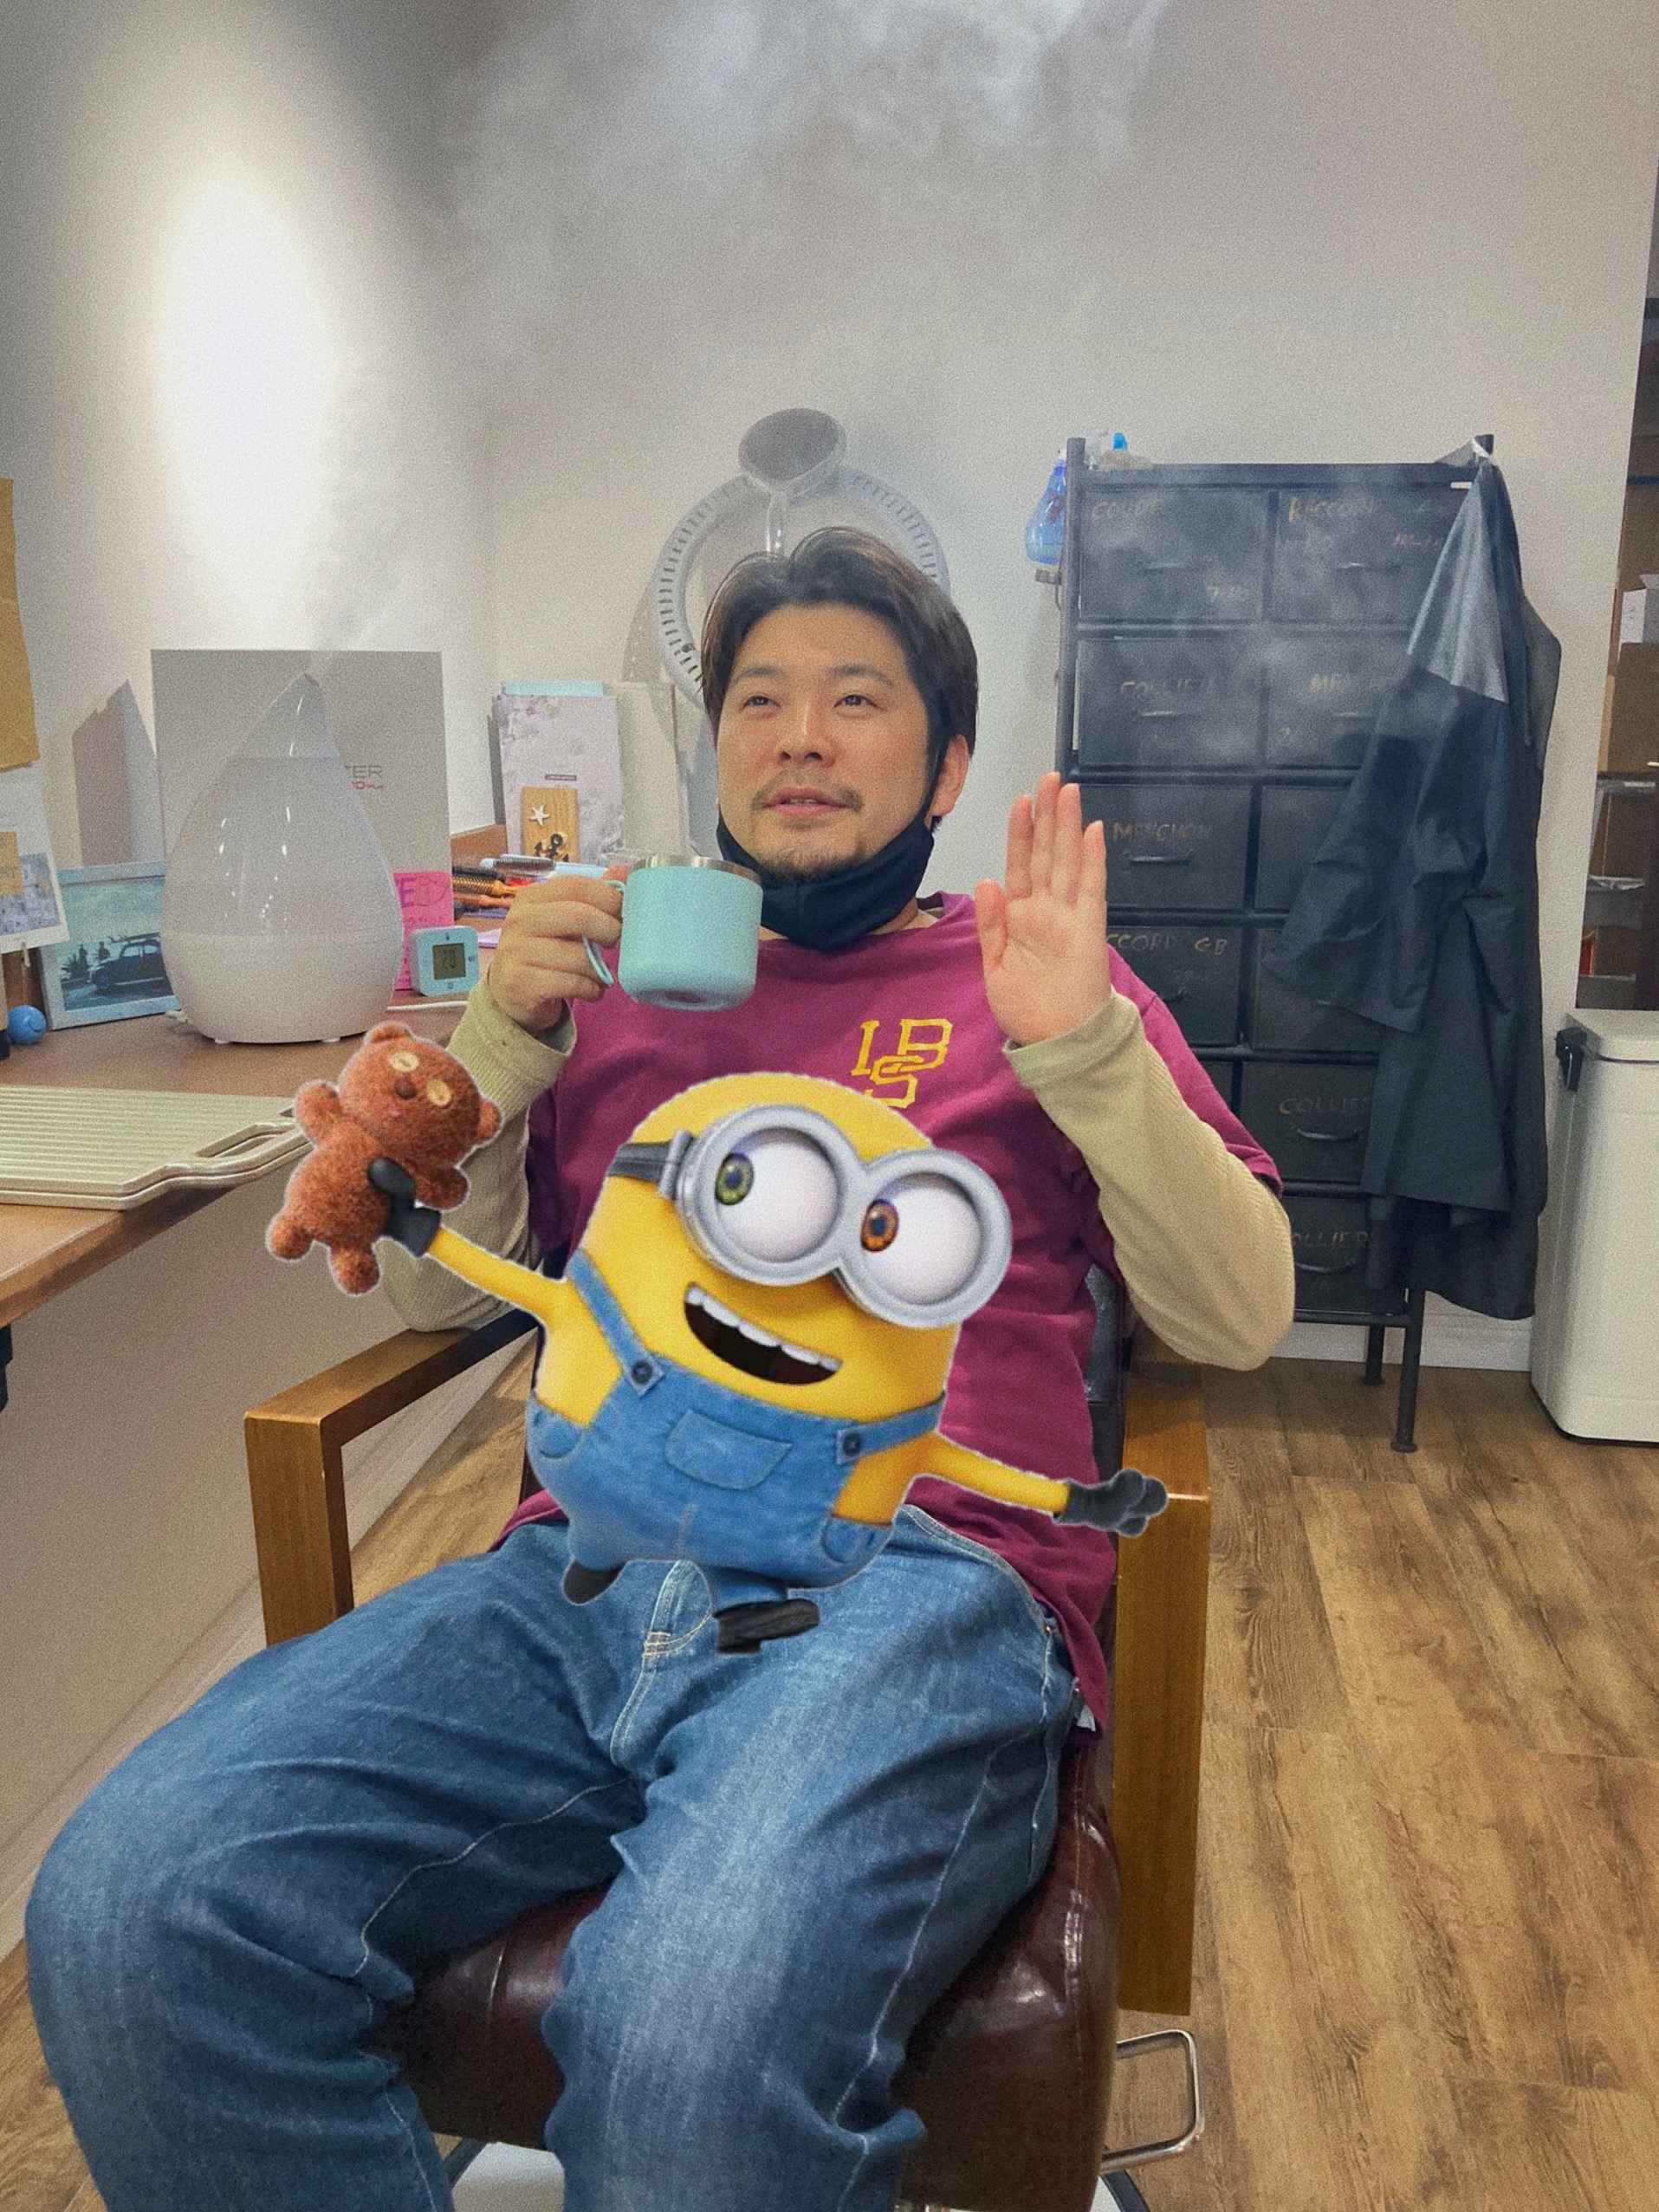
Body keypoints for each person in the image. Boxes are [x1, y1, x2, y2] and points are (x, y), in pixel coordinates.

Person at [28, 529, 1294, 2212]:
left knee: (690, 2032)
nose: (798, 735)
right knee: (130, 1902)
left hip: (913, 1578)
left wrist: (1082, 1045)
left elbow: (1239, 1310)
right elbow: (443, 1307)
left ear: (948, 765)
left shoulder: (1038, 984)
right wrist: (501, 1041)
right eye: (757, 699)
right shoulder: (609, 987)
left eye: (857, 698)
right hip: (579, 1575)